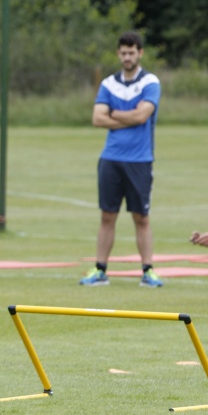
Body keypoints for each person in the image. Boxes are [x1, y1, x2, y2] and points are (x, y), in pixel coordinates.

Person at [80, 31, 162, 288]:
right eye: (123, 53)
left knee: (141, 217)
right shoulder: (108, 84)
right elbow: (97, 118)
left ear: (140, 53)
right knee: (107, 215)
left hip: (140, 160)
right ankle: (100, 268)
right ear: (118, 54)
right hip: (110, 158)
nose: (127, 57)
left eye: (132, 52)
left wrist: (114, 114)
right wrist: (129, 114)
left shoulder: (150, 82)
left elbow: (142, 116)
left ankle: (147, 270)